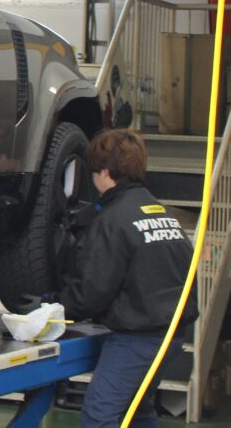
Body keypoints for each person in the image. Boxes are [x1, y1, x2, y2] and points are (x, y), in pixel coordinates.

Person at [59, 128, 198, 428]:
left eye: (93, 173)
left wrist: (57, 308)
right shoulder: (161, 213)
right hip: (172, 333)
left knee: (99, 414)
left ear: (104, 172)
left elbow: (93, 290)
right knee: (137, 409)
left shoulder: (112, 220)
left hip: (139, 338)